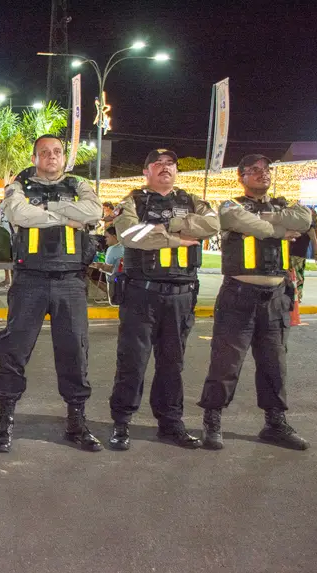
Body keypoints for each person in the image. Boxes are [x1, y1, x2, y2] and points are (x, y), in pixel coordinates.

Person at [0, 134, 103, 453]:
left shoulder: (79, 184)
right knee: (14, 350)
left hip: (70, 280)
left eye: (57, 152)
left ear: (64, 157)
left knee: (75, 352)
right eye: (44, 152)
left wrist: (47, 209)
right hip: (30, 281)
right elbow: (19, 215)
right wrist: (68, 216)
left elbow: (94, 212)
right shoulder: (19, 185)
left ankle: (76, 422)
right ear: (34, 157)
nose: (51, 156)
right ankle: (5, 420)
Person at [108, 149, 220, 450]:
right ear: (146, 171)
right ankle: (121, 422)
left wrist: (165, 226)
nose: (164, 167)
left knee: (172, 364)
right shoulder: (132, 201)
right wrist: (178, 237)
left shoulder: (192, 200)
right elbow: (131, 235)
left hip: (181, 295)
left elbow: (213, 225)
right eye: (157, 164)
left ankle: (170, 423)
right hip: (141, 294)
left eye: (170, 163)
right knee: (132, 362)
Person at [197, 154, 311, 450]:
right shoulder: (230, 206)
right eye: (255, 170)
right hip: (238, 296)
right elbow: (235, 219)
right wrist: (279, 228)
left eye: (266, 169)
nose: (263, 174)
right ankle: (212, 420)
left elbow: (304, 219)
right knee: (225, 363)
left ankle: (275, 423)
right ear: (241, 177)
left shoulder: (284, 204)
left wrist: (262, 221)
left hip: (276, 298)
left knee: (275, 364)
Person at [288, 207, 317, 303]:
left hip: (295, 254)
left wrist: (316, 254)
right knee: (296, 276)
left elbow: (314, 241)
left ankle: (295, 296)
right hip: (297, 255)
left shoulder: (299, 225)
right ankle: (296, 296)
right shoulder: (307, 227)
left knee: (295, 276)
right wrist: (316, 254)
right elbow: (314, 241)